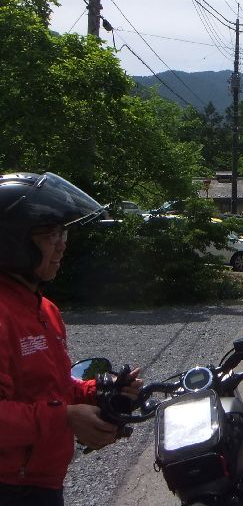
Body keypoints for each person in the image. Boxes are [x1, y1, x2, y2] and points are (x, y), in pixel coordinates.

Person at [0, 172, 142, 506]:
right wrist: (65, 417)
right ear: (13, 241)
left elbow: (54, 390)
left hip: (44, 483)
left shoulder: (45, 309)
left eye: (63, 231)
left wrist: (100, 390)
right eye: (50, 233)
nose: (62, 243)